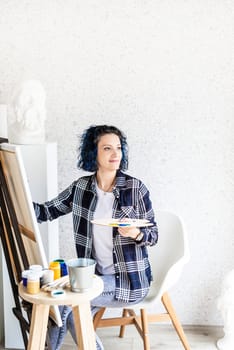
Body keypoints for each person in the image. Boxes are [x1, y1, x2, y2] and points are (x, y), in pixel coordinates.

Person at [33, 124, 158, 350]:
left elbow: (153, 235)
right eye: (107, 148)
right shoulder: (81, 188)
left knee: (65, 303)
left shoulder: (135, 188)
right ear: (94, 153)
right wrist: (15, 200)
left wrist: (136, 233)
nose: (115, 154)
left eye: (118, 148)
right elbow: (46, 211)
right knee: (68, 311)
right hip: (96, 277)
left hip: (130, 280)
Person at [8, 79, 46, 144]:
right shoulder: (15, 131)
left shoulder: (40, 132)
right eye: (26, 97)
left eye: (38, 97)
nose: (33, 103)